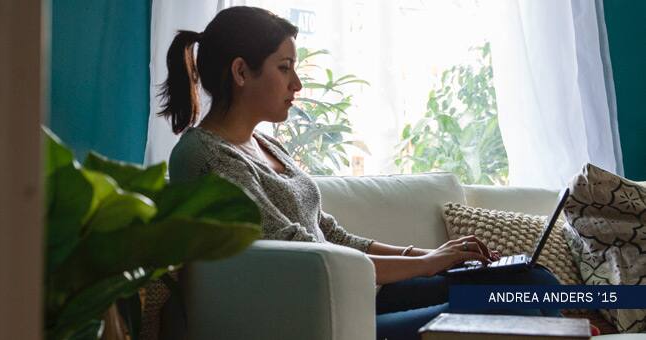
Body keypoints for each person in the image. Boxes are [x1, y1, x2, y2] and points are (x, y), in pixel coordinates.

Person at [157, 6, 561, 340]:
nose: (296, 83)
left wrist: (430, 256)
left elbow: (330, 233)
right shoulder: (204, 157)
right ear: (242, 72)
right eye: (284, 68)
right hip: (318, 319)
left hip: (358, 296)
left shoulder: (267, 145)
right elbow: (308, 256)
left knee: (531, 280)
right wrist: (429, 263)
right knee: (508, 306)